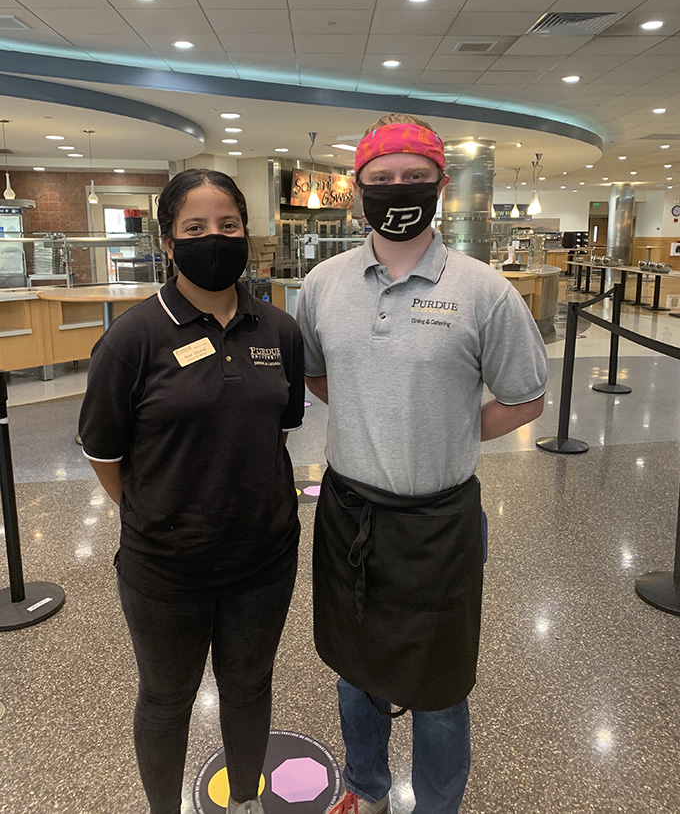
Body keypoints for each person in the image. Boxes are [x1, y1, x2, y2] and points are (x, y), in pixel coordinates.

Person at [296, 114, 548, 814]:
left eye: (414, 177)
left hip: (440, 520)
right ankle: (365, 787)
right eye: (382, 179)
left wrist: (449, 429)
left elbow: (525, 399)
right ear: (357, 189)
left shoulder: (484, 290)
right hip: (349, 513)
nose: (398, 189)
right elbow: (318, 378)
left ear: (441, 182)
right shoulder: (322, 285)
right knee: (354, 670)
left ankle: (439, 806)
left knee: (440, 689)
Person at [79, 168, 304, 814]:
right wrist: (157, 512)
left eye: (228, 225)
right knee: (166, 696)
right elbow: (103, 450)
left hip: (262, 559)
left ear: (247, 233)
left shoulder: (278, 331)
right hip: (165, 567)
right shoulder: (132, 337)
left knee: (248, 685)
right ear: (168, 242)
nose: (215, 238)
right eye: (196, 227)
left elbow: (278, 428)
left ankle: (242, 801)